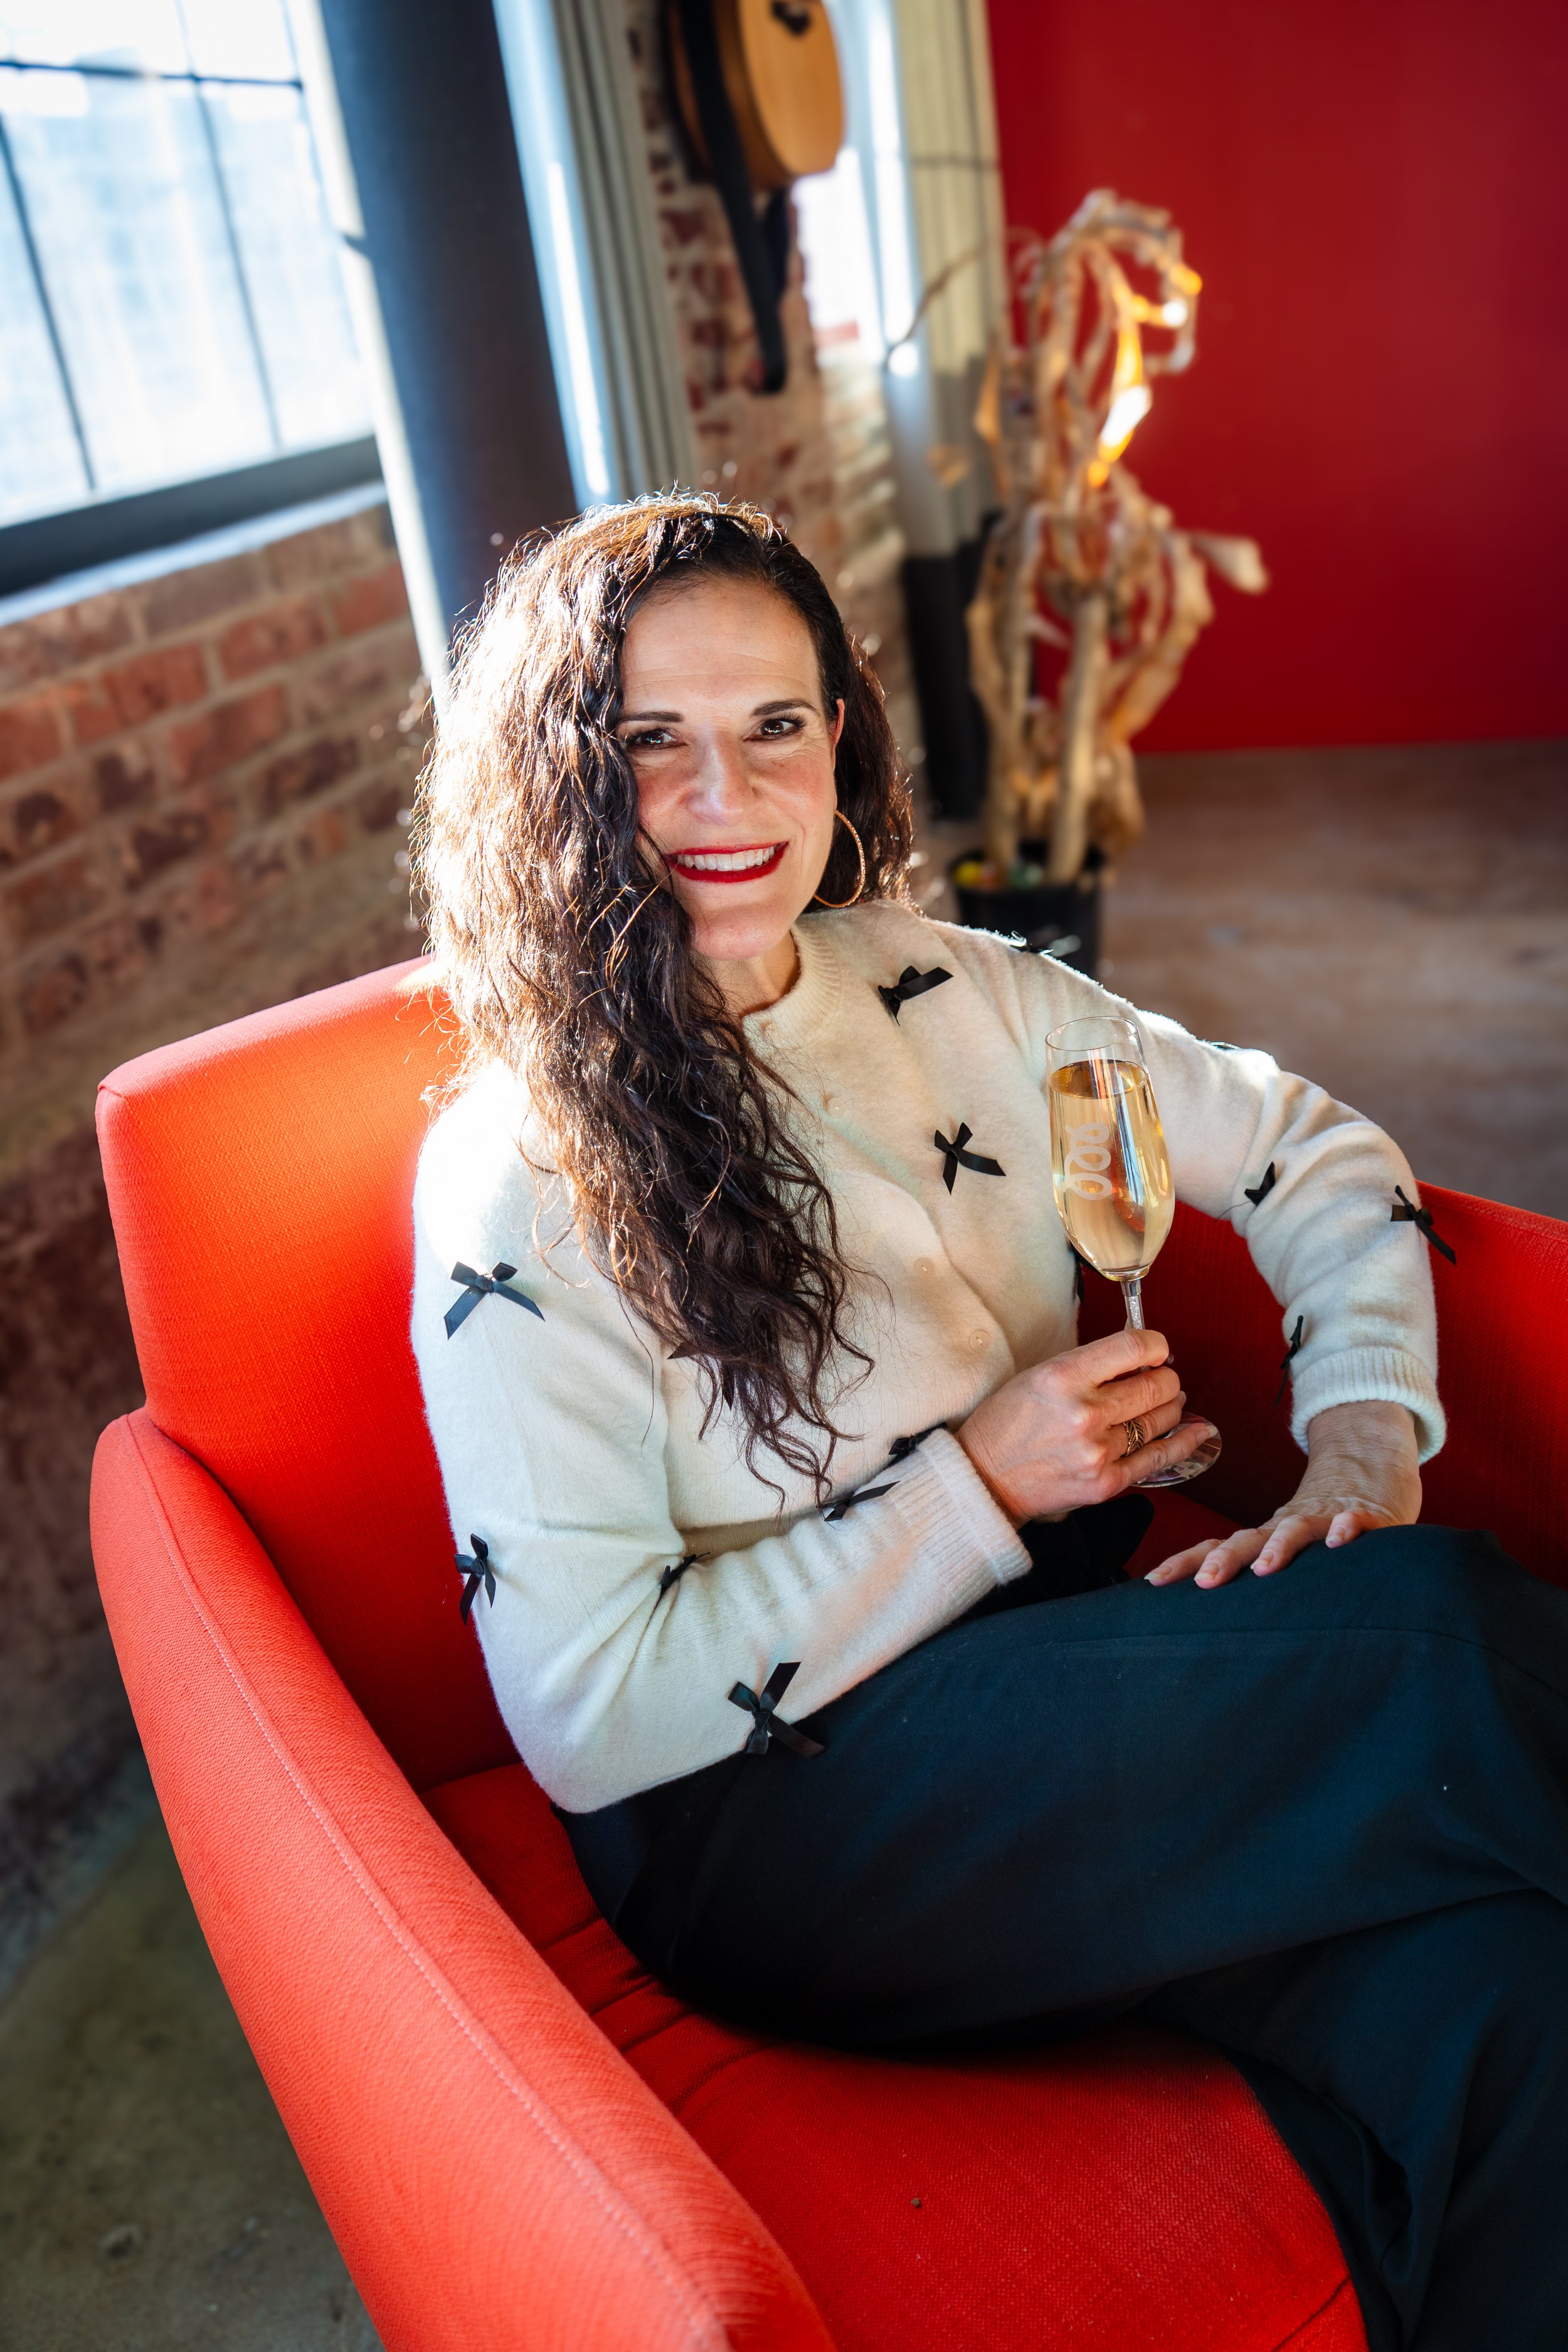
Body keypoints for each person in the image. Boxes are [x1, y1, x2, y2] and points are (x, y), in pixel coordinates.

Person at [410, 495, 1567, 2352]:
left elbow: (1305, 1151)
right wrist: (973, 1486)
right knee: (1425, 1641)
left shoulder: (949, 988)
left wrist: (1366, 1426)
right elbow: (585, 1713)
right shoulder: (516, 1182)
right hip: (771, 1819)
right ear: (559, 774)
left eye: (775, 723)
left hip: (1058, 1678)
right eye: (650, 739)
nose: (729, 791)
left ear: (839, 736)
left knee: (1515, 2004)